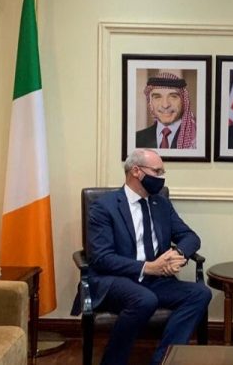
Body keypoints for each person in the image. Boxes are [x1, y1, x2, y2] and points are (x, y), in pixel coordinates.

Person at [84, 148, 211, 365]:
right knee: (144, 299)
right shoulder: (104, 206)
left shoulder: (160, 204)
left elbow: (190, 237)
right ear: (136, 171)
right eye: (157, 171)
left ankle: (163, 360)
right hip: (115, 280)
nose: (161, 177)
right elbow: (101, 258)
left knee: (200, 293)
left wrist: (177, 254)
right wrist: (148, 267)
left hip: (155, 281)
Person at [136, 72, 196, 149]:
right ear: (150, 103)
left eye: (173, 97)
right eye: (157, 97)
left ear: (183, 101)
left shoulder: (196, 138)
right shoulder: (137, 139)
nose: (165, 105)